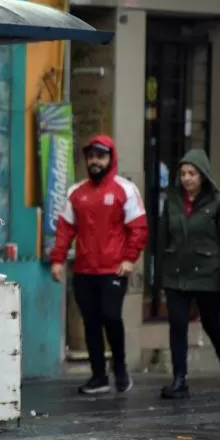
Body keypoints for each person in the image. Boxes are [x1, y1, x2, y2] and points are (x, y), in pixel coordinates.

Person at [49, 135, 148, 395]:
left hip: (113, 269)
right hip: (83, 270)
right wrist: (58, 260)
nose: (95, 161)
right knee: (91, 322)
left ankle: (121, 367)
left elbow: (138, 228)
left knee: (111, 317)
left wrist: (129, 259)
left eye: (100, 156)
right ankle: (98, 376)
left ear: (110, 158)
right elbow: (64, 229)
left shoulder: (124, 190)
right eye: (91, 156)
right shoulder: (76, 192)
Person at [158, 149, 220, 400]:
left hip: (207, 274)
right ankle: (179, 380)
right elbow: (162, 237)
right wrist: (159, 272)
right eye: (182, 173)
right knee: (178, 324)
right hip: (176, 273)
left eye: (192, 173)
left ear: (203, 176)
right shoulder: (171, 200)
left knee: (212, 325)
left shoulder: (219, 204)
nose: (187, 178)